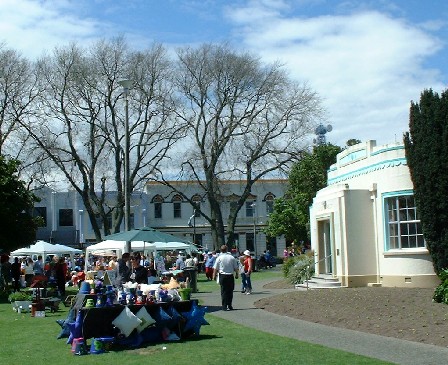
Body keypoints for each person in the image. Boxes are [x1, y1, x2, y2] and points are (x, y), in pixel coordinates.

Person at [213, 245, 239, 311]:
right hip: (230, 275)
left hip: (222, 275)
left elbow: (215, 268)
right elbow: (236, 267)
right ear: (227, 249)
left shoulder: (219, 258)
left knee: (223, 291)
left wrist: (214, 275)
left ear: (221, 250)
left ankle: (224, 306)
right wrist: (237, 274)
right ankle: (229, 305)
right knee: (230, 291)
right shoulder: (231, 257)